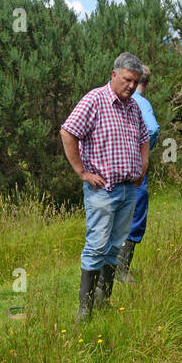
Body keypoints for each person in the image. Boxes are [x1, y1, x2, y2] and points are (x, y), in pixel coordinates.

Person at [60, 52, 150, 319]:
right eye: (127, 80)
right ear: (114, 75)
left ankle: (103, 300)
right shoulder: (95, 100)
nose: (132, 86)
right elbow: (68, 132)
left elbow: (145, 138)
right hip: (102, 189)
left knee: (115, 246)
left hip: (127, 189)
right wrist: (81, 172)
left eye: (135, 81)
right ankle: (84, 310)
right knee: (97, 246)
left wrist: (142, 168)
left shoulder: (133, 107)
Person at [116, 65, 159, 282]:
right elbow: (151, 129)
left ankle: (109, 271)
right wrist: (140, 152)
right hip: (134, 171)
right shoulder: (142, 103)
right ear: (148, 84)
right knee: (134, 218)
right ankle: (121, 272)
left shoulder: (118, 99)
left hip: (114, 173)